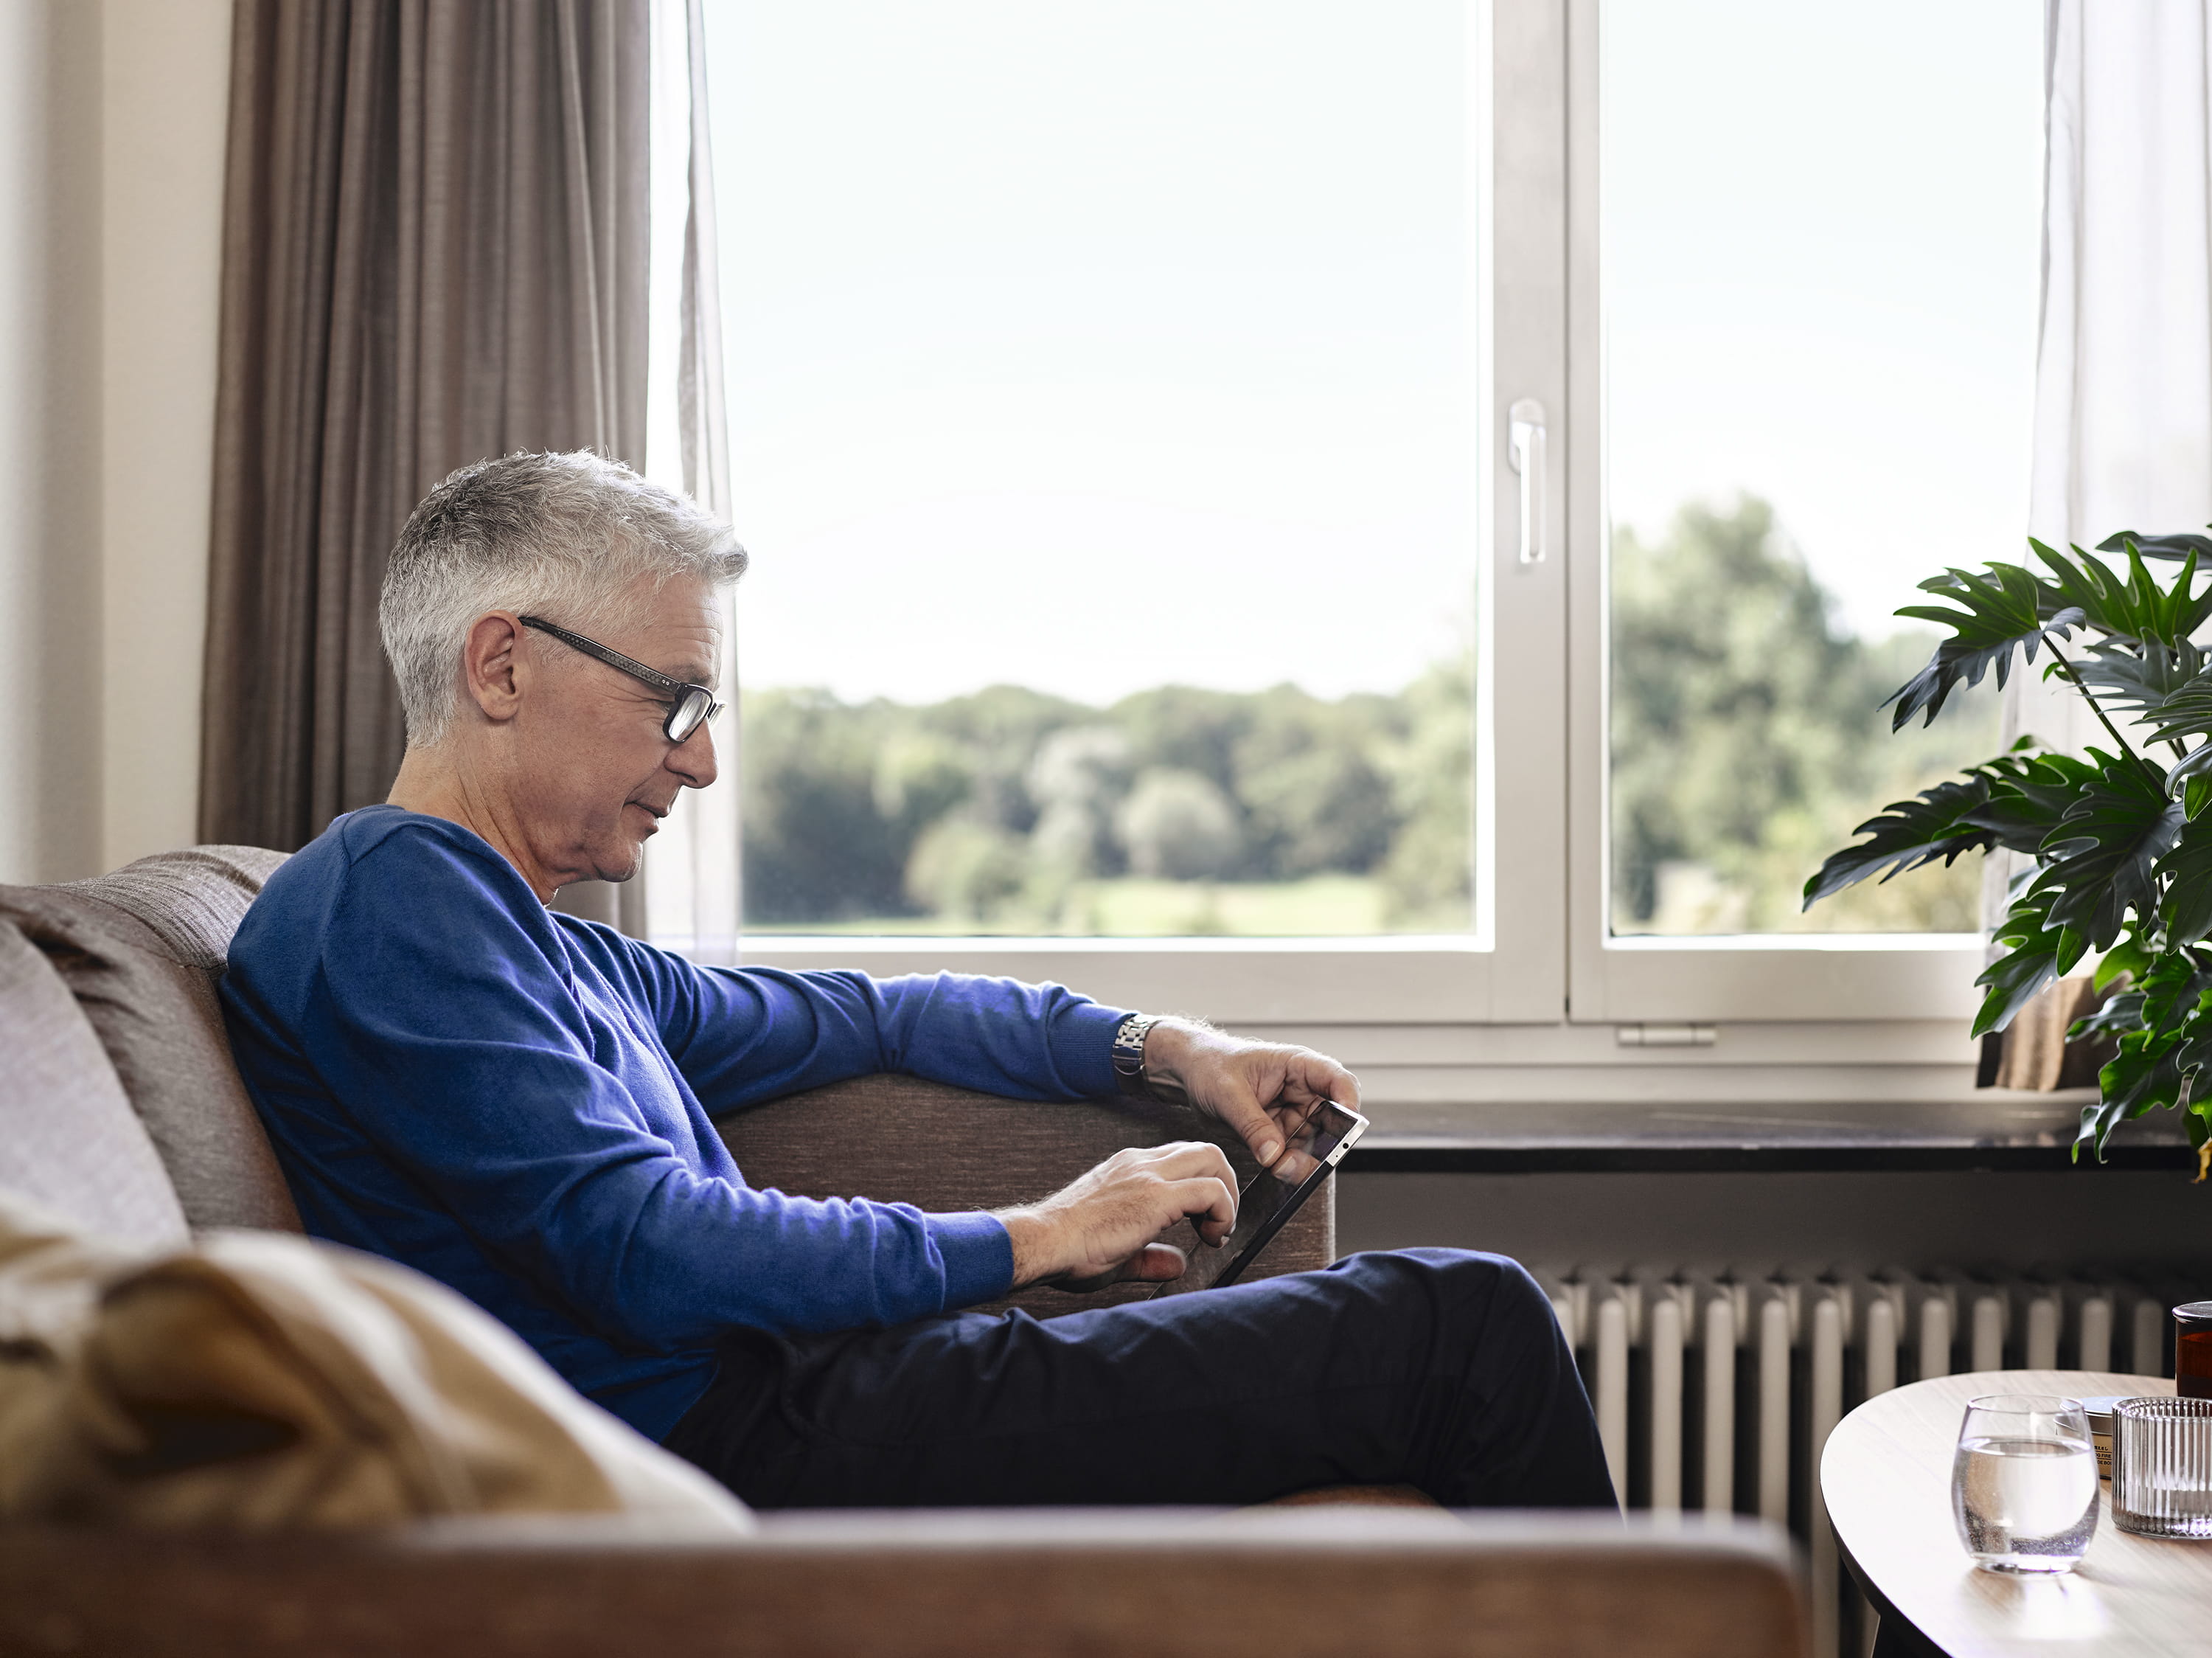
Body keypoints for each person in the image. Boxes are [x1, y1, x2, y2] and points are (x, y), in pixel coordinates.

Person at [222, 450, 1614, 1511]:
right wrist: (1035, 1235)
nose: (702, 761)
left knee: (1449, 1330)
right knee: (1465, 1327)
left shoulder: (551, 947)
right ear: (504, 665)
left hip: (812, 1400)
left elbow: (877, 1014)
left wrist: (1166, 1049)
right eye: (678, 702)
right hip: (748, 1444)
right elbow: (649, 1251)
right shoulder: (388, 900)